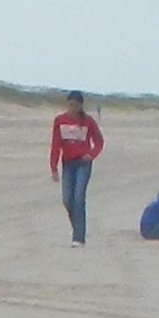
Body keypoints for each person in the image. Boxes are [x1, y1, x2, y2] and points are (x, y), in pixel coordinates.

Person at [48, 92, 104, 243]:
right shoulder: (60, 120)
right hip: (68, 163)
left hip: (83, 164)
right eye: (70, 105)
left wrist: (91, 154)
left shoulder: (88, 121)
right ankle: (77, 228)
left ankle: (78, 237)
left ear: (81, 106)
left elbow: (99, 142)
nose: (73, 108)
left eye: (76, 105)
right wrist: (53, 167)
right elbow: (55, 145)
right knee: (67, 200)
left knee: (78, 198)